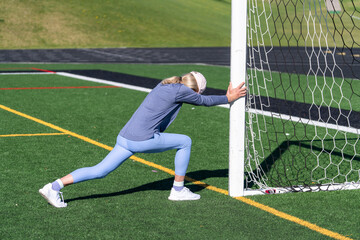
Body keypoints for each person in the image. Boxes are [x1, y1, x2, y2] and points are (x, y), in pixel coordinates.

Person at [39, 71, 247, 208]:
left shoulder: (166, 84)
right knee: (185, 141)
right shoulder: (182, 91)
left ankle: (54, 186)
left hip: (125, 137)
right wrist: (228, 98)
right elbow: (204, 101)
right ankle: (177, 190)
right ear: (193, 89)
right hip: (141, 139)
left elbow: (162, 116)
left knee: (100, 170)